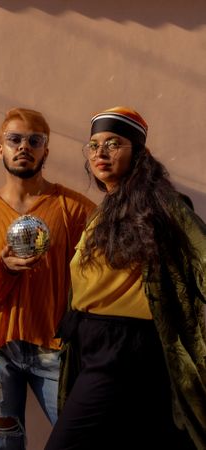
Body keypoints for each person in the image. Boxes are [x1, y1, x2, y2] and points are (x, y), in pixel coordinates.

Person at [44, 106, 206, 450]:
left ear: (140, 153)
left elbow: (201, 254)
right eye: (93, 145)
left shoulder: (162, 204)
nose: (100, 153)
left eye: (113, 143)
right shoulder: (106, 208)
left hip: (124, 348)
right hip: (94, 341)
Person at [0, 107, 96, 450]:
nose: (23, 146)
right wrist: (2, 269)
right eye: (14, 139)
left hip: (54, 346)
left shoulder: (71, 208)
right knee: (2, 445)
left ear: (46, 150)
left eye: (34, 140)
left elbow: (103, 264)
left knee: (83, 438)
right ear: (1, 148)